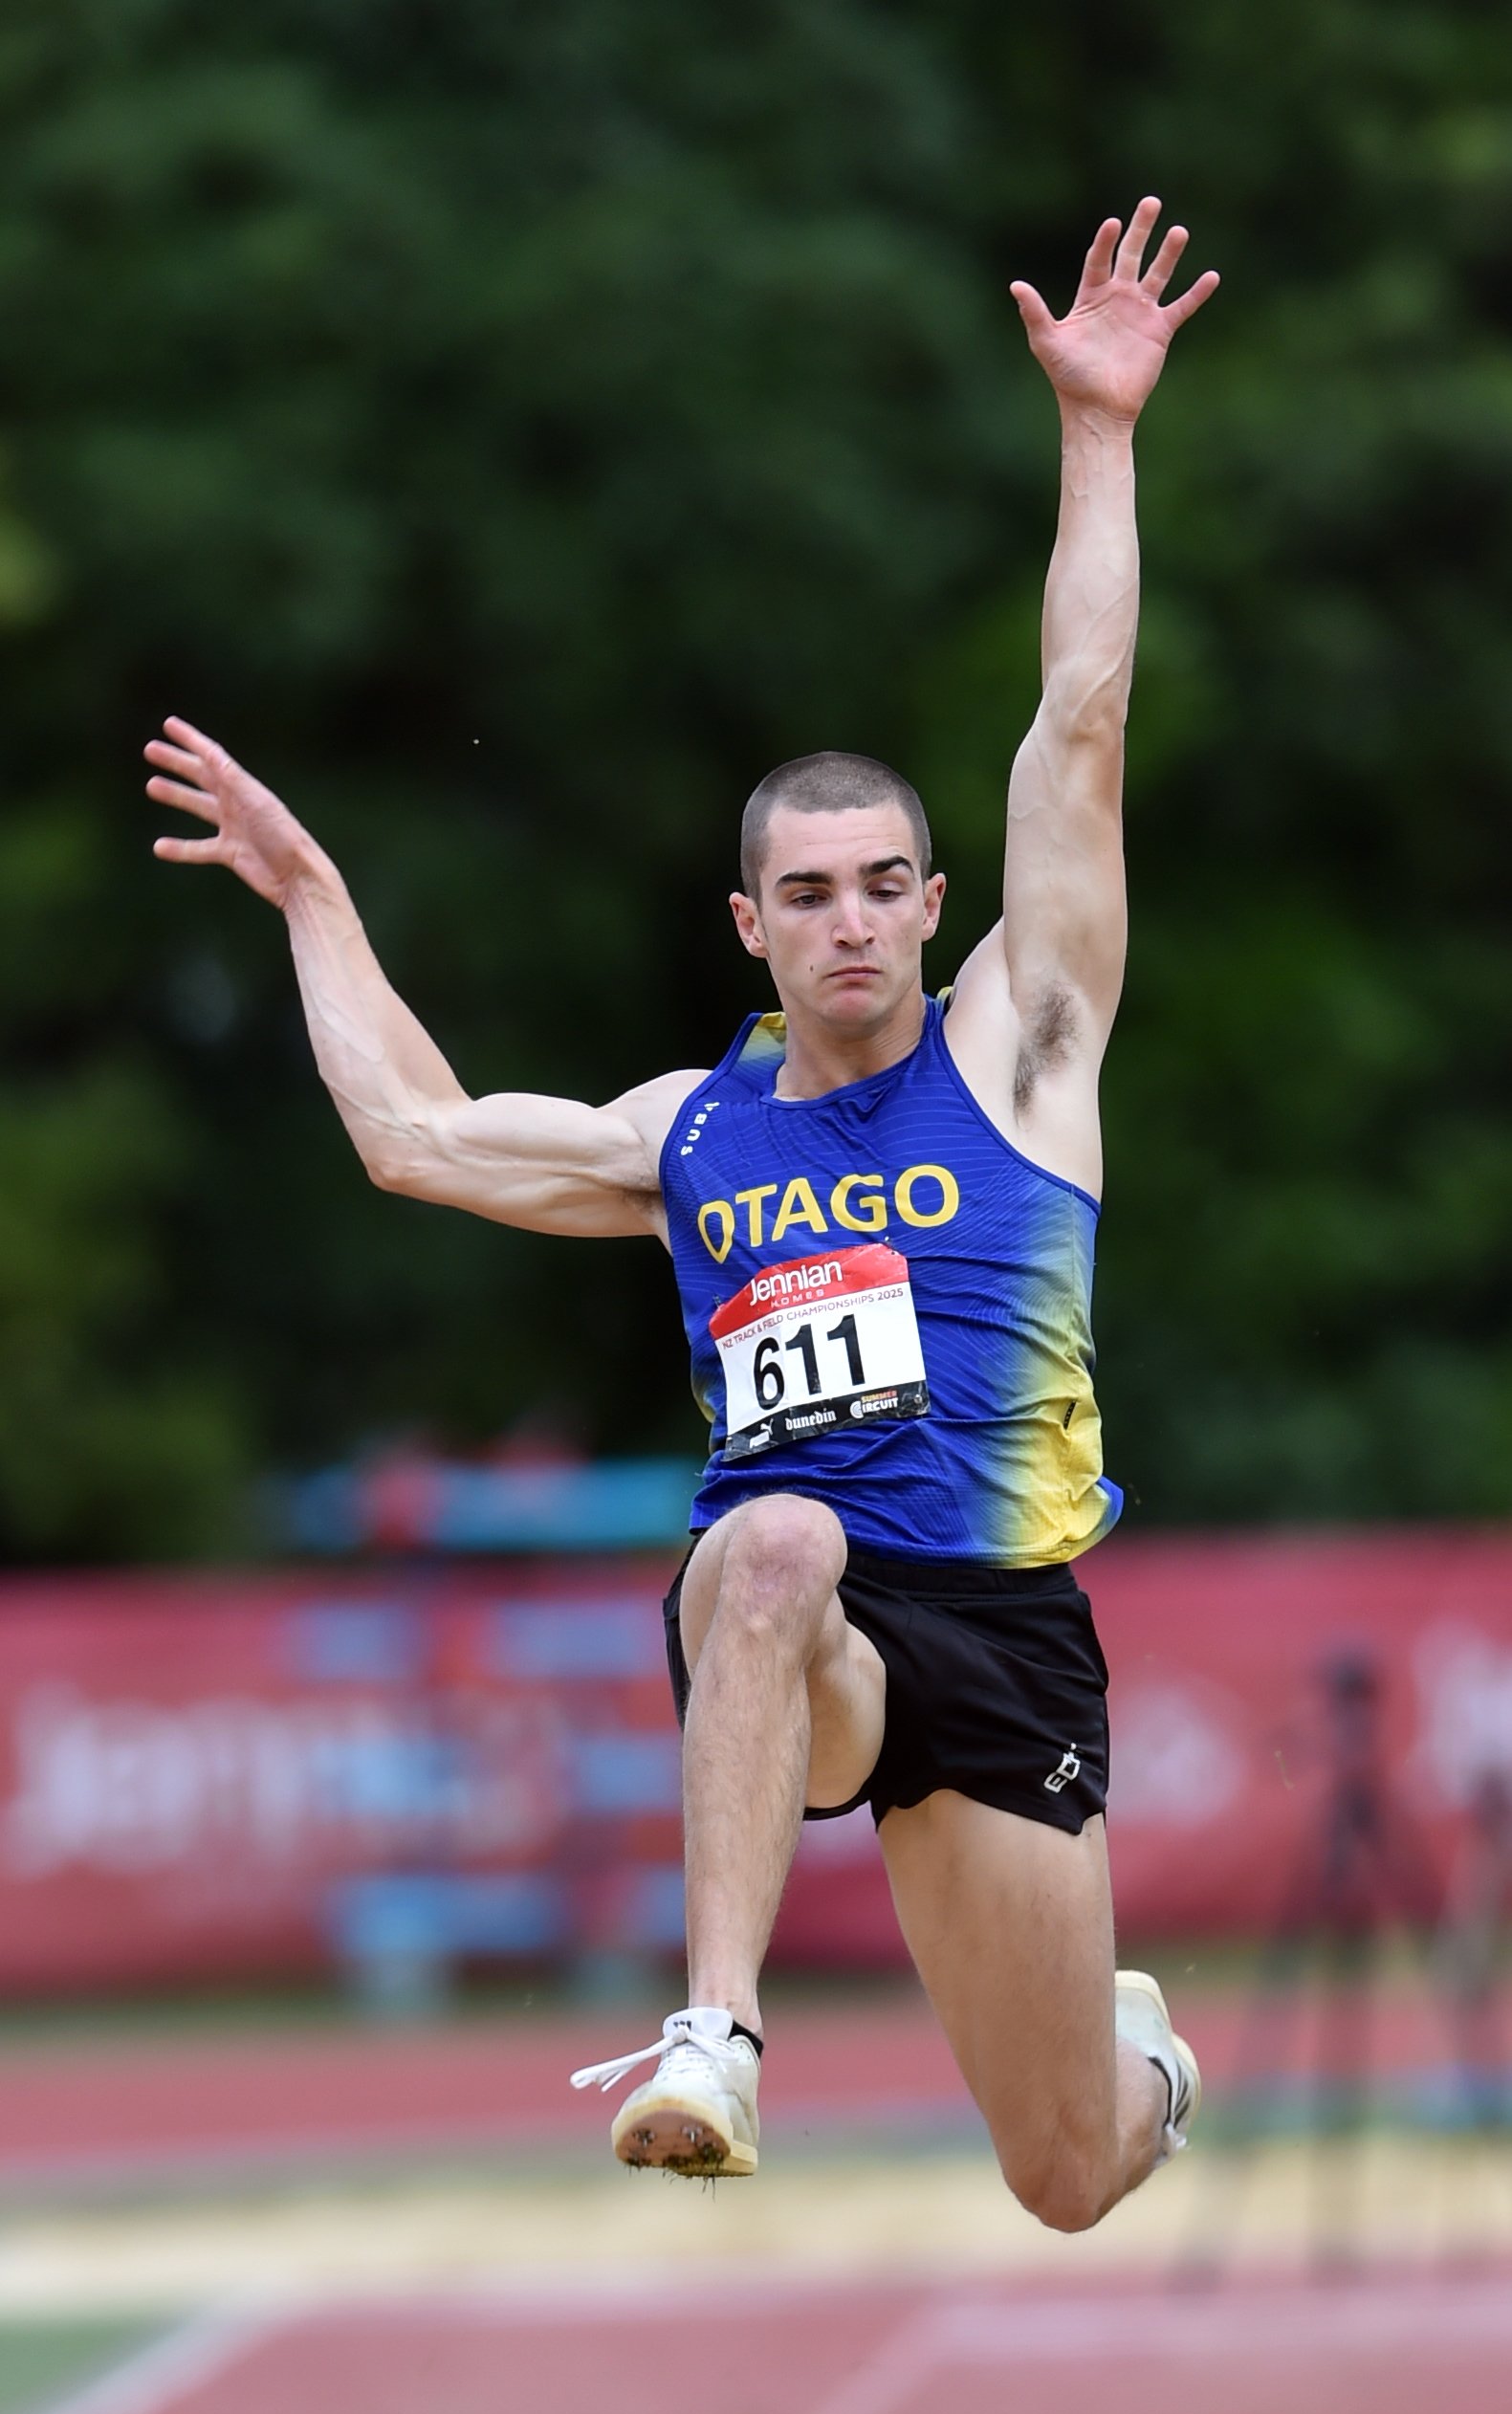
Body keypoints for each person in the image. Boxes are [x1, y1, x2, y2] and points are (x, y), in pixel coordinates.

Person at [146, 198, 1216, 2229]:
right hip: (801, 1633)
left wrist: (1097, 431)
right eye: (801, 893)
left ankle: (1137, 2053)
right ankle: (712, 2030)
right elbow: (419, 1135)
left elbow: (1076, 715)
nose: (846, 920)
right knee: (768, 1541)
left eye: (879, 882)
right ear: (751, 922)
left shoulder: (1021, 1048)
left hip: (1000, 1631)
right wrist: (311, 901)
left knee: (1070, 2172)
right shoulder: (688, 1140)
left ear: (926, 899)